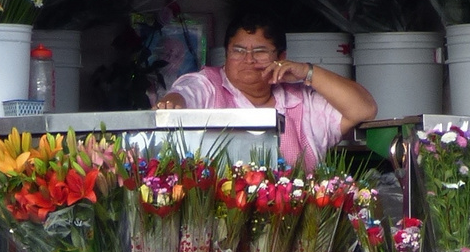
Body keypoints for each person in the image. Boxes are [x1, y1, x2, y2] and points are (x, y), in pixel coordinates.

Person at [155, 9, 377, 169]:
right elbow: (185, 92)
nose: (248, 60)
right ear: (226, 53)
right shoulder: (209, 85)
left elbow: (363, 109)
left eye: (260, 51)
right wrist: (174, 101)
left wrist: (308, 72)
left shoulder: (301, 101)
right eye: (238, 51)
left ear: (281, 57)